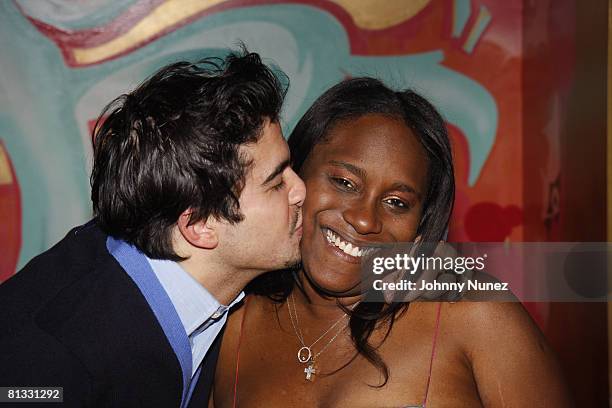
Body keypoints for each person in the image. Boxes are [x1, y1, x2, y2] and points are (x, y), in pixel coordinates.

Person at [211, 78, 572, 407]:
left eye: (397, 202)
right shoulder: (231, 323)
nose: (364, 219)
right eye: (344, 182)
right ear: (294, 178)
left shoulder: (475, 315)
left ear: (421, 226)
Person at [0, 49, 306, 407]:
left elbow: (376, 275)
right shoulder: (56, 363)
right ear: (199, 225)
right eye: (276, 183)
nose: (300, 189)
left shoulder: (200, 275)